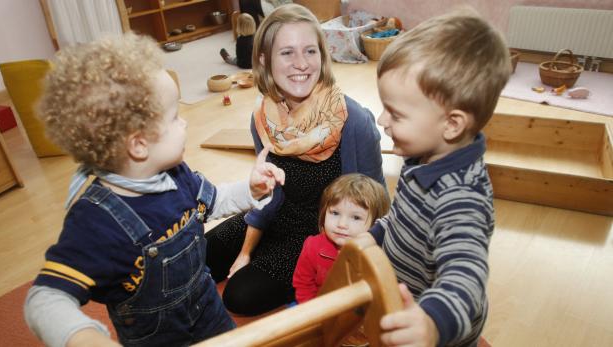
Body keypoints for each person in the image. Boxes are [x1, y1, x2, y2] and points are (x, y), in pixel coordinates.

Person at [23, 32, 285, 347]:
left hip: (208, 313)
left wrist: (251, 190)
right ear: (138, 145)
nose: (185, 124)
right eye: (174, 117)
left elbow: (214, 202)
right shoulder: (95, 222)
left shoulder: (177, 175)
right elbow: (44, 298)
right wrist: (83, 337)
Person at [205, 3, 386, 316]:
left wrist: (358, 268)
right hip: (271, 217)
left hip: (319, 235)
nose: (301, 64)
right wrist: (246, 250)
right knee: (198, 256)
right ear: (265, 60)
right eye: (287, 52)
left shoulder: (353, 120)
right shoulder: (264, 117)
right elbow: (269, 197)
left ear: (322, 55)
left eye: (310, 51)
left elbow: (378, 205)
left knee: (238, 297)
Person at [367, 8, 511, 347]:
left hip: (437, 330)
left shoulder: (460, 199)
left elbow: (466, 278)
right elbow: (403, 218)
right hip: (405, 296)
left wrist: (431, 324)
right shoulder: (423, 157)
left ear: (452, 124)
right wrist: (374, 235)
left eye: (396, 113)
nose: (380, 119)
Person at [292, 173, 389, 304]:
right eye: (335, 213)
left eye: (356, 217)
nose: (342, 224)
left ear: (375, 224)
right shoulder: (312, 246)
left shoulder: (378, 255)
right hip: (318, 308)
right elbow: (303, 284)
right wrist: (314, 313)